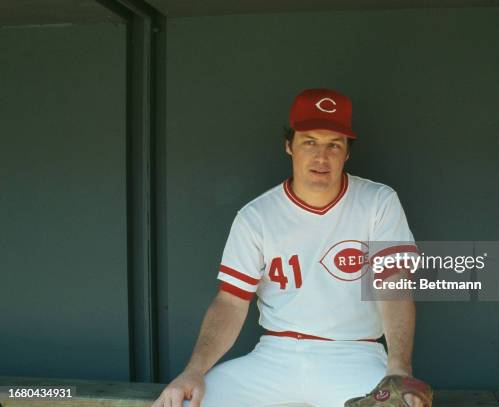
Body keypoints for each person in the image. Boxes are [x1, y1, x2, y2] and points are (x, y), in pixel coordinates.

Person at [153, 88, 430, 407]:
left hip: (354, 353)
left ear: (347, 152)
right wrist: (193, 371)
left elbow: (394, 285)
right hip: (274, 356)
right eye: (309, 141)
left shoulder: (378, 202)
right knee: (187, 403)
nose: (321, 157)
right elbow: (231, 301)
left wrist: (398, 370)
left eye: (334, 145)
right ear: (289, 145)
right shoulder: (256, 216)